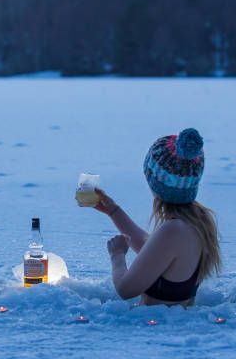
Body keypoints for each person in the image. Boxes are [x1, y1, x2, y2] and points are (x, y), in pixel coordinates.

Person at [92, 128, 221, 306]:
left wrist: (117, 255)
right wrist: (113, 211)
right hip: (172, 325)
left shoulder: (174, 230)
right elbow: (154, 252)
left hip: (155, 329)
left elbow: (126, 289)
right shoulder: (198, 222)